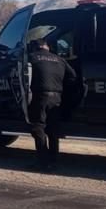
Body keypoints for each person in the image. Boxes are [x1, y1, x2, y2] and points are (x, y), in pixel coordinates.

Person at [27, 38, 77, 170]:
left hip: (39, 97)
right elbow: (73, 76)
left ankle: (42, 161)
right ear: (47, 46)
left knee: (38, 128)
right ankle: (53, 160)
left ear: (35, 47)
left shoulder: (31, 57)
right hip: (57, 98)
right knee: (53, 129)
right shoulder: (60, 59)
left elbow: (22, 75)